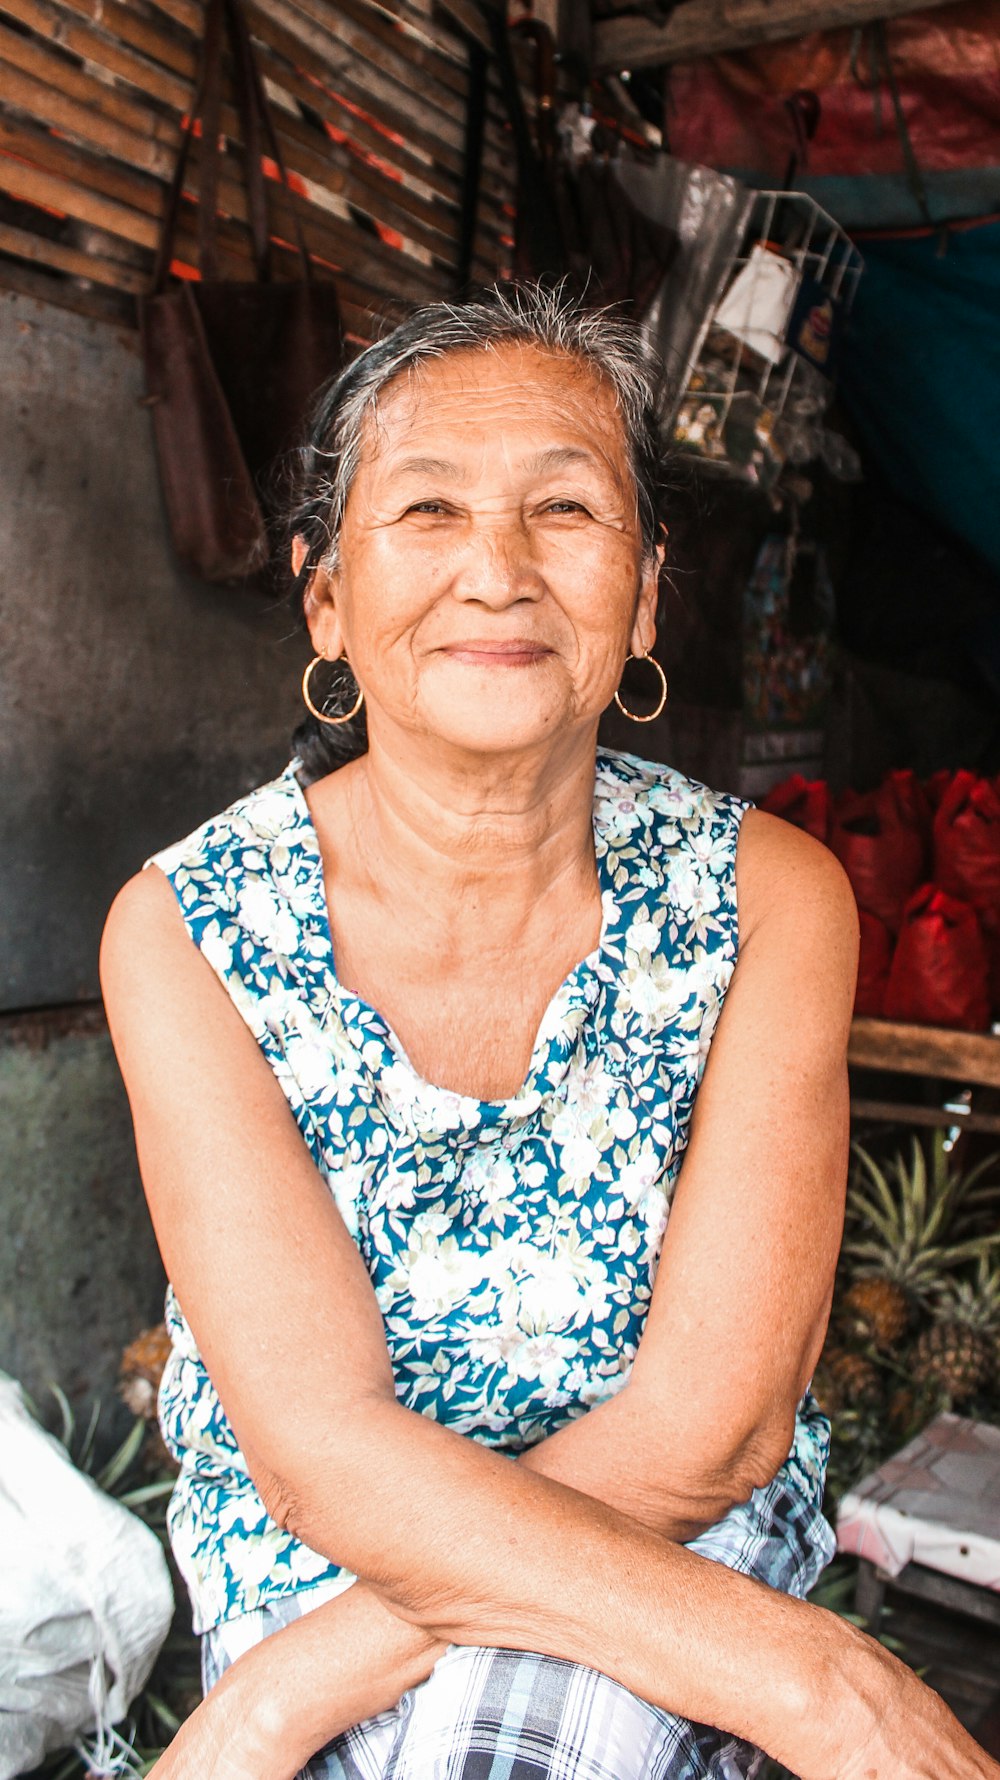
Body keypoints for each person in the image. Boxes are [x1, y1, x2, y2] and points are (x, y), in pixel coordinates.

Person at [101, 286, 998, 1780]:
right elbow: (327, 1453)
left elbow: (708, 1434)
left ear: (647, 597)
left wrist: (267, 1716)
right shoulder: (188, 929)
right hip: (327, 1565)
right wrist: (817, 1682)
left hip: (676, 1551)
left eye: (564, 509)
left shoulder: (769, 898)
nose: (499, 573)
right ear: (326, 598)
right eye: (430, 511)